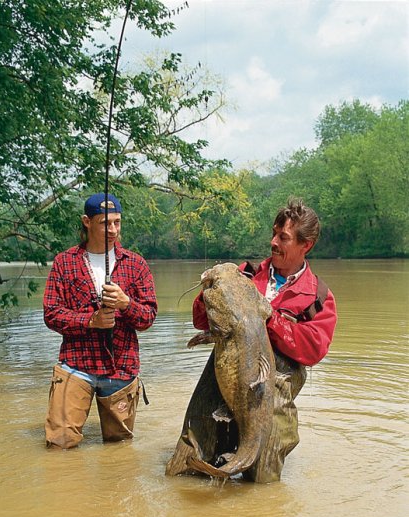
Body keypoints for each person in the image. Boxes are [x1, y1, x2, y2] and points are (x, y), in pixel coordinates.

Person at [192, 197, 338, 481]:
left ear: (305, 245)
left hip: (271, 394)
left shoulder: (318, 296)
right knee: (192, 456)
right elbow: (200, 321)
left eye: (283, 238)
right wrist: (208, 292)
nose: (273, 242)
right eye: (274, 233)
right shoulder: (244, 275)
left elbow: (313, 350)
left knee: (262, 481)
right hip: (223, 378)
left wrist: (269, 319)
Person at [43, 192, 158, 449]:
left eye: (117, 222)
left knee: (119, 450)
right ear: (87, 221)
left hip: (121, 367)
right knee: (59, 445)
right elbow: (51, 314)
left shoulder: (136, 264)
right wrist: (90, 321)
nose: (113, 229)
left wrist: (126, 304)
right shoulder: (64, 262)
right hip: (75, 364)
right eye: (105, 223)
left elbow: (148, 317)